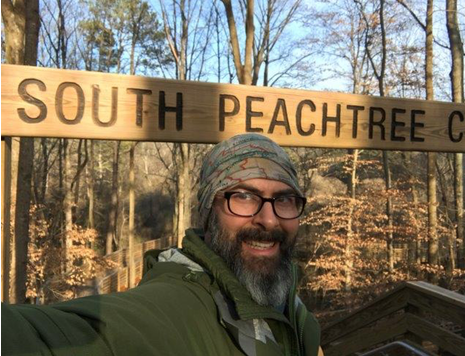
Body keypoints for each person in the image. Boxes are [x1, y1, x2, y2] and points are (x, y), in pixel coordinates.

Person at [2, 133, 322, 356]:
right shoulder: (174, 307)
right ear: (208, 213)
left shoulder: (288, 303)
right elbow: (53, 337)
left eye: (284, 199)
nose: (268, 219)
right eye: (243, 196)